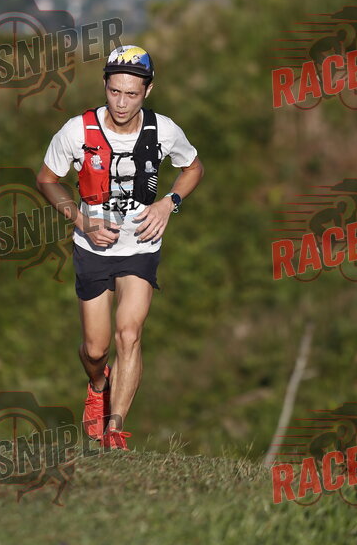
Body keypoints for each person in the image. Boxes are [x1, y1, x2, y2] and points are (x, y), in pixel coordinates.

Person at [36, 45, 204, 450]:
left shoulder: (164, 130)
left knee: (129, 334)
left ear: (148, 90)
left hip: (141, 245)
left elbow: (193, 167)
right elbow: (46, 180)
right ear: (105, 86)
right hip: (92, 248)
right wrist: (82, 222)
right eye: (115, 92)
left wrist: (169, 203)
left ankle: (115, 430)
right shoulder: (77, 131)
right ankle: (98, 385)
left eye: (131, 94)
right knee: (96, 350)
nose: (122, 103)